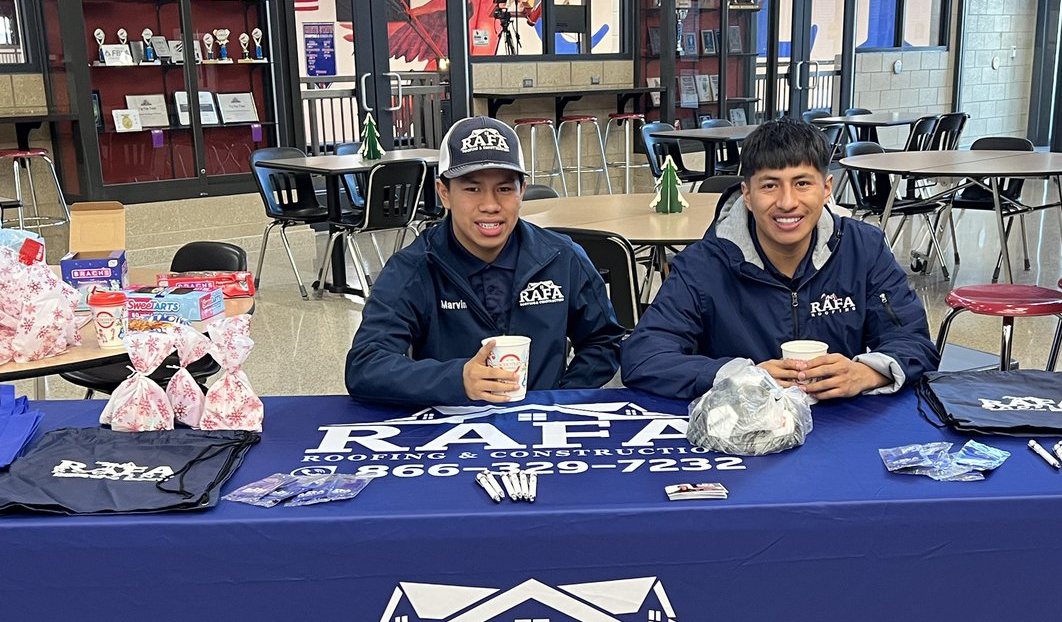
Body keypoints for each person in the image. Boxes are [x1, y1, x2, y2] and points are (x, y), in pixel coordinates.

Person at [620, 118, 939, 402]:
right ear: (747, 193)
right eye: (770, 185)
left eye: (802, 183)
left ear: (826, 188)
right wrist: (740, 376)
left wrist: (868, 372)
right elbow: (644, 357)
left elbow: (914, 342)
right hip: (740, 439)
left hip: (842, 427)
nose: (788, 202)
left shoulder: (863, 249)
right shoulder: (703, 264)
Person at [345, 116, 624, 407]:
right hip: (449, 430)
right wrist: (456, 379)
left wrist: (560, 399)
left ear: (522, 192)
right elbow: (365, 365)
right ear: (445, 194)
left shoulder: (561, 258)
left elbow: (603, 340)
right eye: (472, 189)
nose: (490, 205)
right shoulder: (415, 268)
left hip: (543, 431)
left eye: (504, 189)